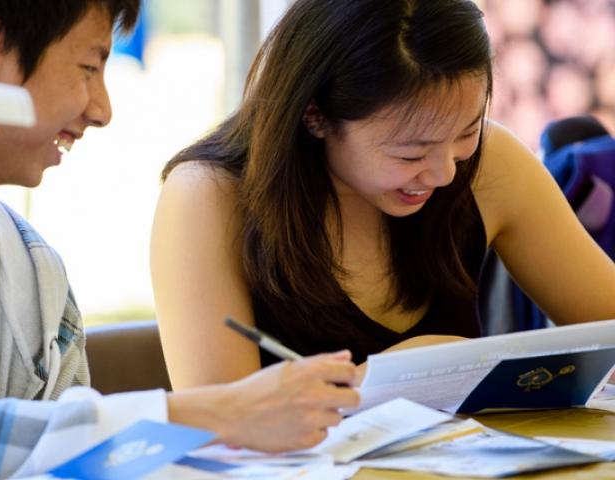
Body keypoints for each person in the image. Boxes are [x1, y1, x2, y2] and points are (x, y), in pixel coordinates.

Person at [0, 1, 359, 477]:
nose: (102, 111)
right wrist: (221, 413)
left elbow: (78, 467)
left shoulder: (35, 272)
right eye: (88, 68)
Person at [150, 0, 615, 391]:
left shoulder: (490, 164)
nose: (444, 172)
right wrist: (396, 376)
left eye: (465, 132)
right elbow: (217, 431)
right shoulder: (208, 197)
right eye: (410, 153)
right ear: (315, 116)